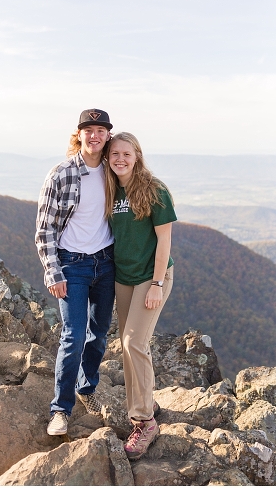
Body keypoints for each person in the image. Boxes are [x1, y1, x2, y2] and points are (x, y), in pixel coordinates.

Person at [35, 109, 116, 436]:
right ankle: (60, 409)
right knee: (74, 336)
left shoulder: (114, 170)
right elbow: (44, 229)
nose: (94, 135)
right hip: (73, 264)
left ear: (107, 135)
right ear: (79, 134)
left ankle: (87, 387)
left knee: (99, 333)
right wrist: (53, 272)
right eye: (88, 130)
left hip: (107, 262)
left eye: (100, 130)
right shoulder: (62, 173)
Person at [104, 132, 177, 460]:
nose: (120, 158)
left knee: (135, 342)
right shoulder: (109, 188)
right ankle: (146, 402)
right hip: (124, 279)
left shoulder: (154, 189)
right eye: (114, 153)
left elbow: (164, 241)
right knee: (127, 344)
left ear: (137, 156)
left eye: (126, 153)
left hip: (152, 278)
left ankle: (145, 421)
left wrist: (157, 285)